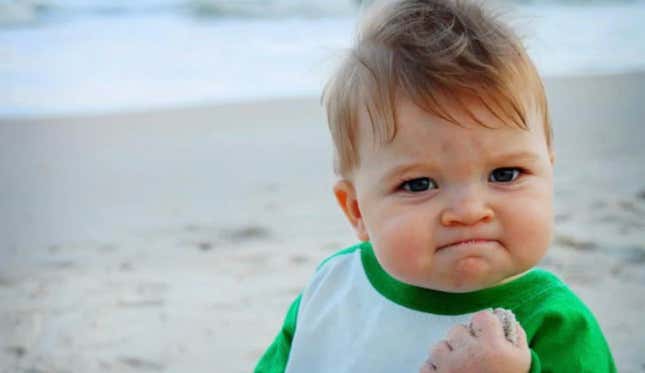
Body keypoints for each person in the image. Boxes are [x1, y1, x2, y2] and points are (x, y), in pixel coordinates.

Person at [254, 0, 616, 372]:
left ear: (548, 174)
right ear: (357, 210)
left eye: (505, 174)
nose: (469, 211)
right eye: (419, 184)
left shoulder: (554, 323)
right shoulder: (333, 288)